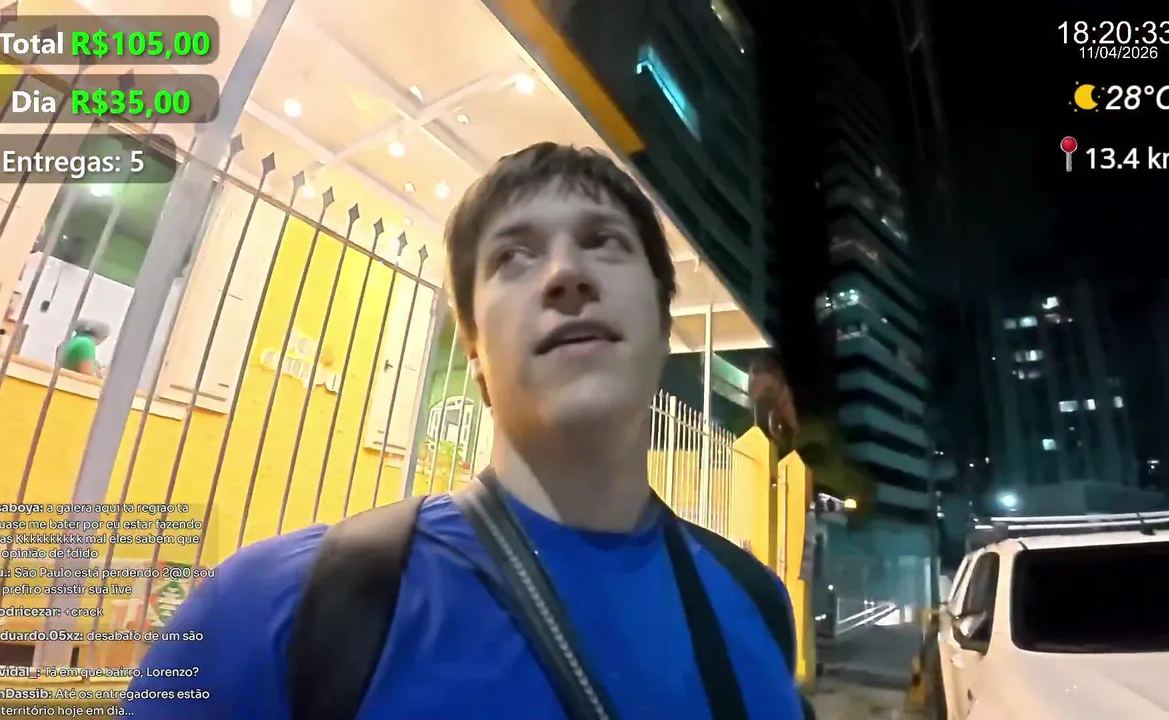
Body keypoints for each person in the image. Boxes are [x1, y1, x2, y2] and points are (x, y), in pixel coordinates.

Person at [124, 143, 808, 719]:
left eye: (604, 242)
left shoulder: (756, 604)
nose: (566, 275)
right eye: (514, 256)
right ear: (474, 350)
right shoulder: (265, 612)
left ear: (663, 327)